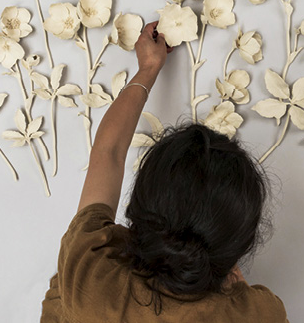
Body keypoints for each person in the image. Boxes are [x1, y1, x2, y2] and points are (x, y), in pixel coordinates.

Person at [41, 21, 288, 322]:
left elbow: (109, 154)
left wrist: (148, 68)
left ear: (139, 207)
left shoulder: (91, 276)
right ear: (241, 244)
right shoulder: (259, 314)